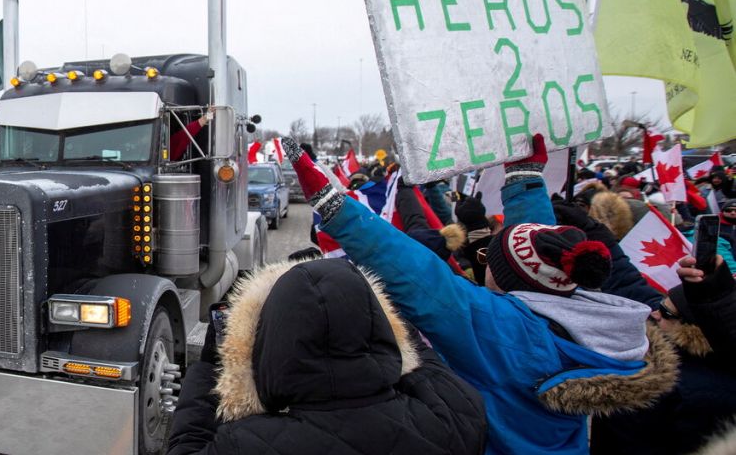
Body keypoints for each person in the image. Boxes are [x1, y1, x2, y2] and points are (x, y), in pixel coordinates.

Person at [280, 135, 678, 454]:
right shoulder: (586, 317)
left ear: (505, 279)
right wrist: (525, 178)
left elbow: (418, 276)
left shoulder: (506, 332)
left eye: (493, 261)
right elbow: (533, 249)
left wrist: (336, 207)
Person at [167, 258, 486, 455]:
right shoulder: (454, 417)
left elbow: (187, 445)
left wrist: (211, 365)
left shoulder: (244, 442)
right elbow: (421, 359)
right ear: (377, 324)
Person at [591, 253, 736, 454]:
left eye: (665, 312)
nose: (654, 313)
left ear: (689, 329)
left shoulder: (658, 384)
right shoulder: (722, 364)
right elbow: (627, 281)